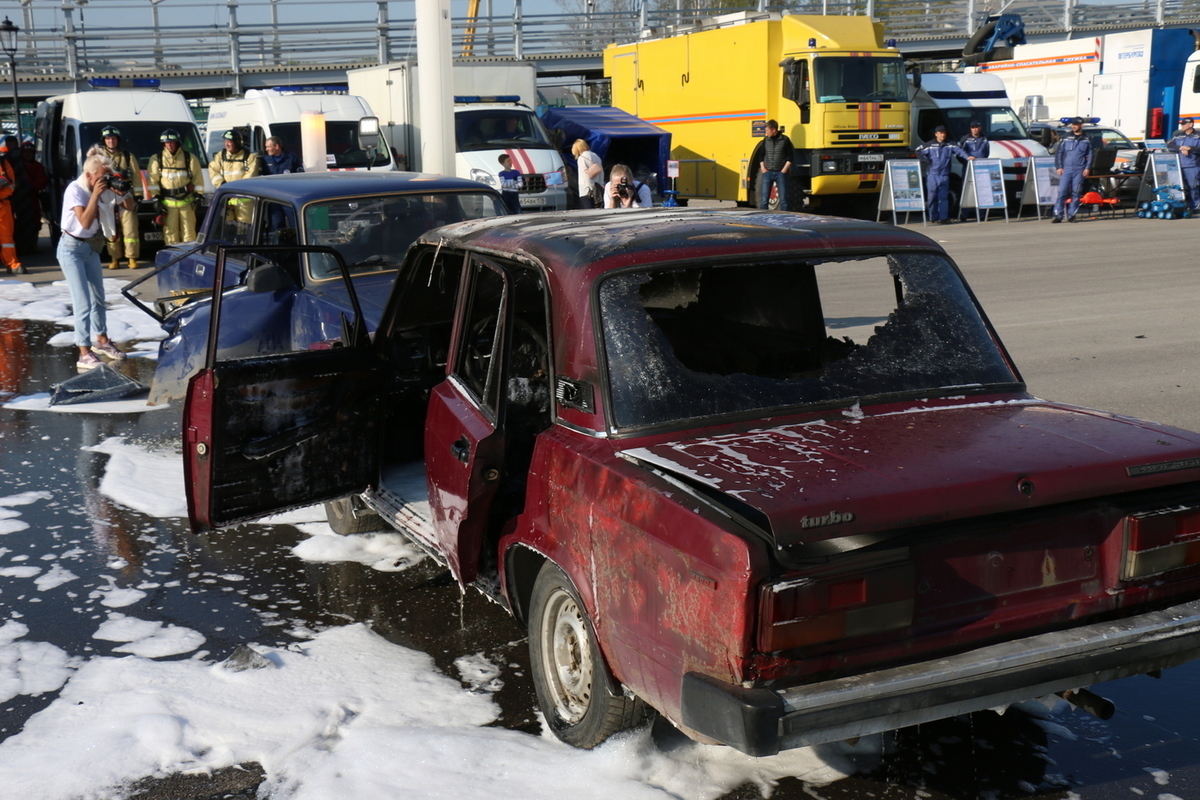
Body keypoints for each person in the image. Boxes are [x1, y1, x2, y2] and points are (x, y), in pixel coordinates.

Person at [57, 150, 134, 371]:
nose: (105, 180)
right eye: (102, 176)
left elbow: (130, 208)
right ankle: (83, 352)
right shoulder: (75, 189)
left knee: (99, 298)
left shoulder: (105, 189)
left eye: (107, 176)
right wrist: (95, 196)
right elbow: (84, 221)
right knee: (82, 302)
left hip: (91, 247)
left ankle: (102, 340)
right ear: (90, 175)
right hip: (71, 248)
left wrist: (123, 188)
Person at [148, 128, 204, 245]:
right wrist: (156, 197)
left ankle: (188, 257)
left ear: (178, 142)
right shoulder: (157, 159)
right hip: (168, 204)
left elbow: (198, 179)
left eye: (172, 142)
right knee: (170, 233)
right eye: (167, 143)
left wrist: (199, 195)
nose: (170, 145)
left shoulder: (190, 158)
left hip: (187, 202)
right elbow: (153, 180)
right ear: (163, 144)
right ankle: (172, 257)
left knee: (189, 232)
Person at [97, 126, 142, 269]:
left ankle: (132, 258)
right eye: (108, 139)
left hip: (125, 196)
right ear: (104, 141)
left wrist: (138, 196)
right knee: (111, 228)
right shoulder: (98, 157)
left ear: (118, 140)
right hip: (107, 197)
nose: (111, 141)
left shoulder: (128, 156)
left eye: (113, 138)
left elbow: (136, 176)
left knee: (130, 229)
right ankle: (114, 258)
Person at [916, 125, 974, 224]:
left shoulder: (949, 144)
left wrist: (968, 157)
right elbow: (918, 151)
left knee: (943, 197)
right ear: (936, 134)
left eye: (944, 133)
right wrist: (925, 160)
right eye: (941, 133)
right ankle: (933, 217)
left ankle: (943, 218)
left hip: (944, 175)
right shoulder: (929, 145)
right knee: (932, 197)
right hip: (932, 175)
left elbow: (959, 150)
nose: (943, 135)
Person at [209, 130, 261, 224]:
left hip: (244, 201)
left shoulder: (249, 157)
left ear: (237, 143)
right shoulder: (220, 156)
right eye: (225, 142)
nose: (226, 144)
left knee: (245, 227)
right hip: (227, 199)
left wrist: (236, 189)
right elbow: (213, 171)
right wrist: (222, 185)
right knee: (228, 228)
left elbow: (250, 176)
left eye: (230, 142)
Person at [1053, 117, 1093, 223]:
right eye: (1072, 124)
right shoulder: (1066, 137)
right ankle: (1058, 215)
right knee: (1062, 191)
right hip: (1066, 169)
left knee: (1076, 192)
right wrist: (1059, 167)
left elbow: (1090, 154)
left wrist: (1087, 168)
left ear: (1081, 125)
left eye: (1076, 124)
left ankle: (1072, 215)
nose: (1073, 126)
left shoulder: (1087, 138)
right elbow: (1059, 153)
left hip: (1079, 169)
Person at [757, 119, 794, 210]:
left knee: (783, 199)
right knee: (764, 199)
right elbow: (761, 155)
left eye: (767, 130)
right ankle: (762, 217)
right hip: (767, 172)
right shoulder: (766, 140)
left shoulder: (785, 140)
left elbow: (790, 156)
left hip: (780, 173)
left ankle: (784, 217)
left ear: (774, 130)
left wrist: (784, 170)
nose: (766, 133)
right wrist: (763, 168)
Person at [957, 120, 990, 220]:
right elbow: (959, 153)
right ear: (970, 128)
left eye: (977, 127)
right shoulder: (965, 139)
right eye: (973, 127)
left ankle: (982, 215)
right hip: (968, 167)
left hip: (980, 168)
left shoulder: (984, 138)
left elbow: (986, 153)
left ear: (980, 128)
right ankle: (964, 215)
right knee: (966, 190)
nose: (975, 129)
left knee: (982, 190)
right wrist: (965, 163)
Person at [19, 139, 46, 254]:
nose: (28, 154)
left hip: (33, 198)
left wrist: (30, 186)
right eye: (25, 152)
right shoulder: (16, 166)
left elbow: (42, 181)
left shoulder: (38, 166)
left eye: (30, 152)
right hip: (19, 200)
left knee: (35, 222)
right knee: (19, 223)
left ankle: (33, 246)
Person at [1167, 116, 1200, 211]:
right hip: (1177, 165)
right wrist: (1180, 148)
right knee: (1176, 186)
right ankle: (1179, 206)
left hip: (1193, 165)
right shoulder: (1178, 134)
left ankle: (1195, 206)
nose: (1182, 126)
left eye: (1184, 124)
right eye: (1182, 124)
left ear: (1191, 124)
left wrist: (1191, 149)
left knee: (1193, 187)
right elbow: (1169, 145)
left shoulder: (1198, 135)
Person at [0, 141, 21, 274]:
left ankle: (12, 264)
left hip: (3, 205)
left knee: (7, 238)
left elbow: (11, 184)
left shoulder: (3, 162)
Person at [572, 139, 603, 209]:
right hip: (598, 188)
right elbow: (601, 172)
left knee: (587, 211)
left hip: (586, 190)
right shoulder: (596, 156)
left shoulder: (581, 158)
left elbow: (585, 176)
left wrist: (590, 188)